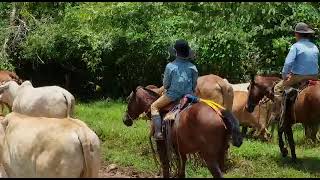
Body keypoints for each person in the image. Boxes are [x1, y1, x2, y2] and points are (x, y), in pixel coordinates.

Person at [150, 39, 198, 140]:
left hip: (172, 96)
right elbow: (194, 85)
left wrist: (167, 88)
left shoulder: (170, 66)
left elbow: (166, 84)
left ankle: (158, 133)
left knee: (154, 106)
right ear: (187, 53)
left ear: (175, 52)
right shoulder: (193, 67)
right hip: (189, 96)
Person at [273, 22, 319, 120]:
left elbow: (288, 63)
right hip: (315, 77)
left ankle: (279, 115)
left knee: (277, 88)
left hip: (299, 77)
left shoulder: (296, 46)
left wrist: (285, 75)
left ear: (297, 34)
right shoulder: (315, 47)